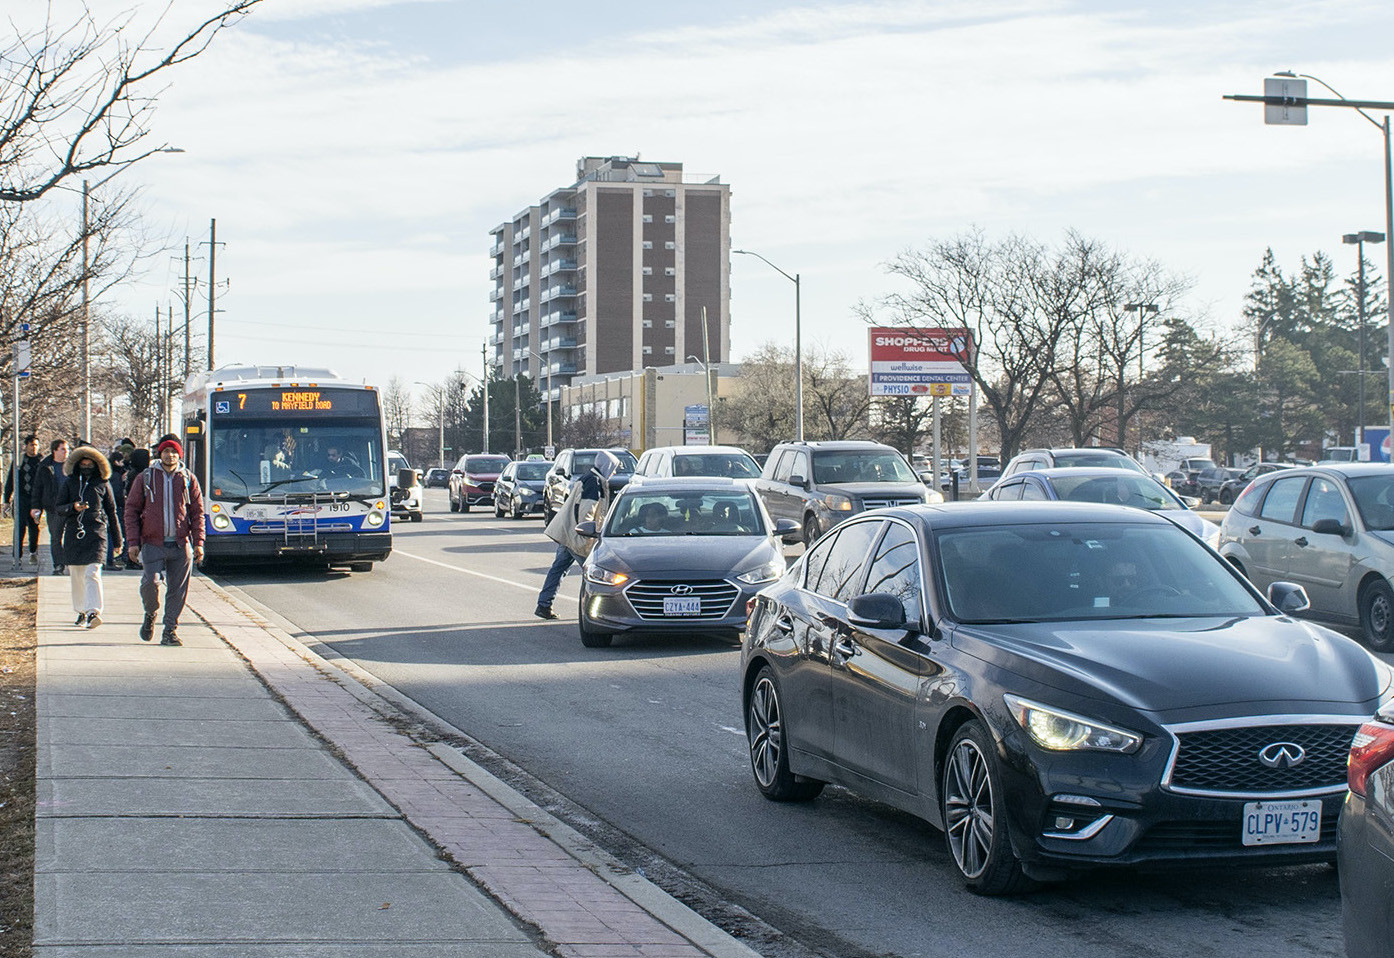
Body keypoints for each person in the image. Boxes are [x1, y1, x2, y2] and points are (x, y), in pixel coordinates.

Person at [124, 438, 206, 646]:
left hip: (180, 544)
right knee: (150, 584)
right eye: (166, 451)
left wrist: (199, 542)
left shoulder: (188, 479)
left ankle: (170, 631)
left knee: (177, 591)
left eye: (174, 452)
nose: (170, 455)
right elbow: (131, 510)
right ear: (159, 454)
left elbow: (197, 513)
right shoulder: (146, 477)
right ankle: (150, 613)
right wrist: (133, 542)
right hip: (152, 544)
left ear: (180, 455)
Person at [534, 450, 620, 620]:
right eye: (614, 468)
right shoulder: (594, 483)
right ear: (607, 466)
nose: (614, 472)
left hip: (569, 533)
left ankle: (544, 604)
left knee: (558, 569)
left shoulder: (589, 478)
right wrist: (589, 535)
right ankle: (597, 611)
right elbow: (587, 512)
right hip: (578, 536)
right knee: (596, 575)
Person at [56, 447, 123, 628]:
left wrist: (118, 540)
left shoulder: (102, 484)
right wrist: (73, 507)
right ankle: (81, 611)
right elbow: (59, 508)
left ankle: (94, 611)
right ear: (77, 465)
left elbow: (112, 512)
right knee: (77, 575)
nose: (86, 467)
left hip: (96, 533)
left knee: (92, 572)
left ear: (97, 465)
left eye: (90, 464)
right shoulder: (69, 483)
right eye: (83, 464)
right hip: (74, 533)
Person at [4, 435, 43, 567]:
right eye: (32, 445)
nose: (34, 448)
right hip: (21, 499)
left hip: (36, 500)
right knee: (19, 528)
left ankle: (33, 551)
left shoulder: (41, 461)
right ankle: (17, 557)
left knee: (34, 527)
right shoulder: (20, 461)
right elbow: (10, 480)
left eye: (36, 445)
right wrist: (7, 500)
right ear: (26, 446)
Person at [34, 439, 69, 575]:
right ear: (55, 450)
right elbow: (38, 488)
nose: (66, 452)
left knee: (72, 536)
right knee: (55, 537)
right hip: (53, 508)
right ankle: (58, 565)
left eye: (67, 449)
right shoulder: (46, 467)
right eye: (63, 449)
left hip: (70, 507)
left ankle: (71, 562)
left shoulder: (73, 466)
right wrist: (36, 507)